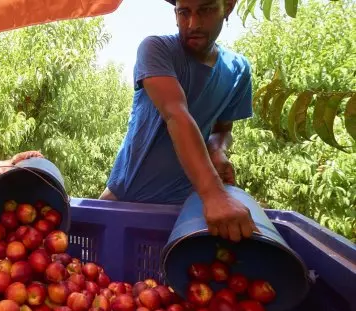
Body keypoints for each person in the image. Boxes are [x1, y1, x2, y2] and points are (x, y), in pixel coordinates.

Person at [100, 0, 258, 242]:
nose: (192, 24)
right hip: (124, 201)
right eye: (184, 12)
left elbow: (223, 129)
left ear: (227, 7)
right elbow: (175, 113)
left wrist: (217, 149)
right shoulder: (156, 49)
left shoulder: (238, 70)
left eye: (204, 10)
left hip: (185, 211)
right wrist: (214, 194)